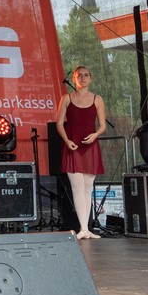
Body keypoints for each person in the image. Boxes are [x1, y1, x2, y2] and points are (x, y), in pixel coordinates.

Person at [54, 66, 106, 240]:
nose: (83, 78)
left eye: (86, 75)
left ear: (90, 78)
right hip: (73, 147)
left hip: (90, 147)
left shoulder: (97, 99)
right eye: (79, 76)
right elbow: (59, 123)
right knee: (77, 188)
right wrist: (67, 140)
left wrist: (95, 135)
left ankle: (86, 228)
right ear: (74, 79)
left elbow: (103, 125)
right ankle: (83, 228)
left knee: (87, 190)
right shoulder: (66, 98)